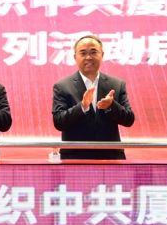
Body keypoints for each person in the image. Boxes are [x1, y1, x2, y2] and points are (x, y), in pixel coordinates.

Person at [51, 33, 134, 161]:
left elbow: (129, 120)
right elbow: (59, 122)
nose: (88, 57)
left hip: (110, 157)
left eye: (93, 52)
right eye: (83, 53)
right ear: (75, 57)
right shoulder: (62, 86)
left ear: (102, 55)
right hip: (75, 158)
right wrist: (82, 106)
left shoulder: (117, 84)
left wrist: (111, 106)